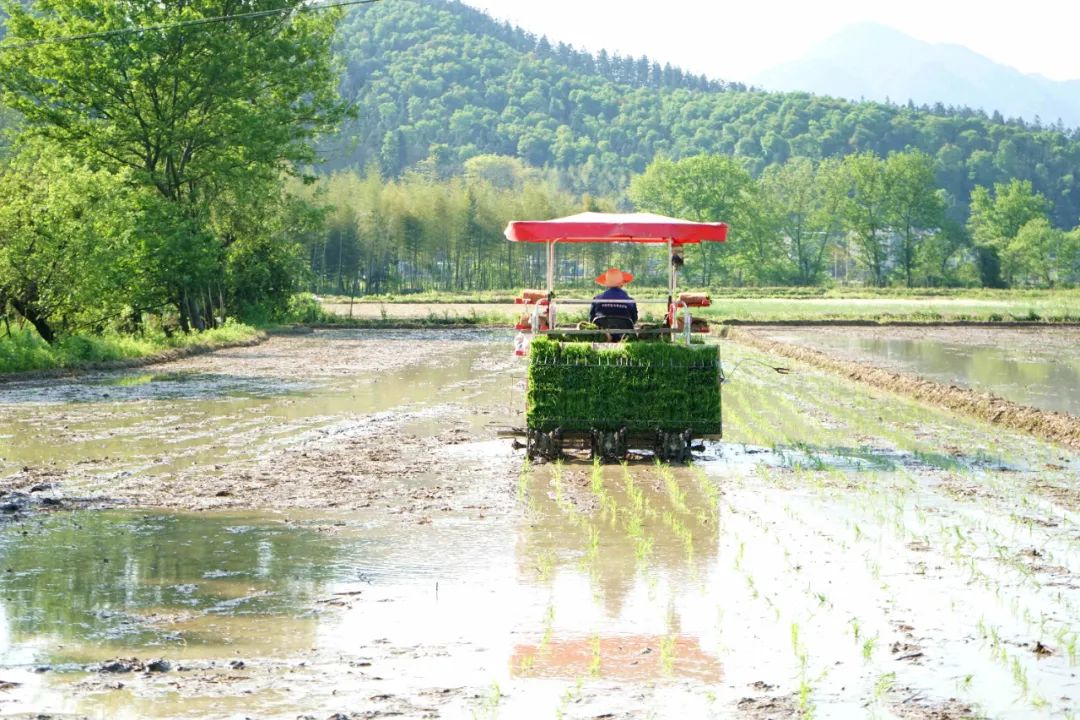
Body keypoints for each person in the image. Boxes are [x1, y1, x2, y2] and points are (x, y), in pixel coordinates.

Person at [589, 267, 637, 337]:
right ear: (622, 283)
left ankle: (607, 337)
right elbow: (634, 319)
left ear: (606, 284)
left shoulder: (597, 299)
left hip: (602, 335)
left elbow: (591, 319)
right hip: (624, 334)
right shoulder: (630, 301)